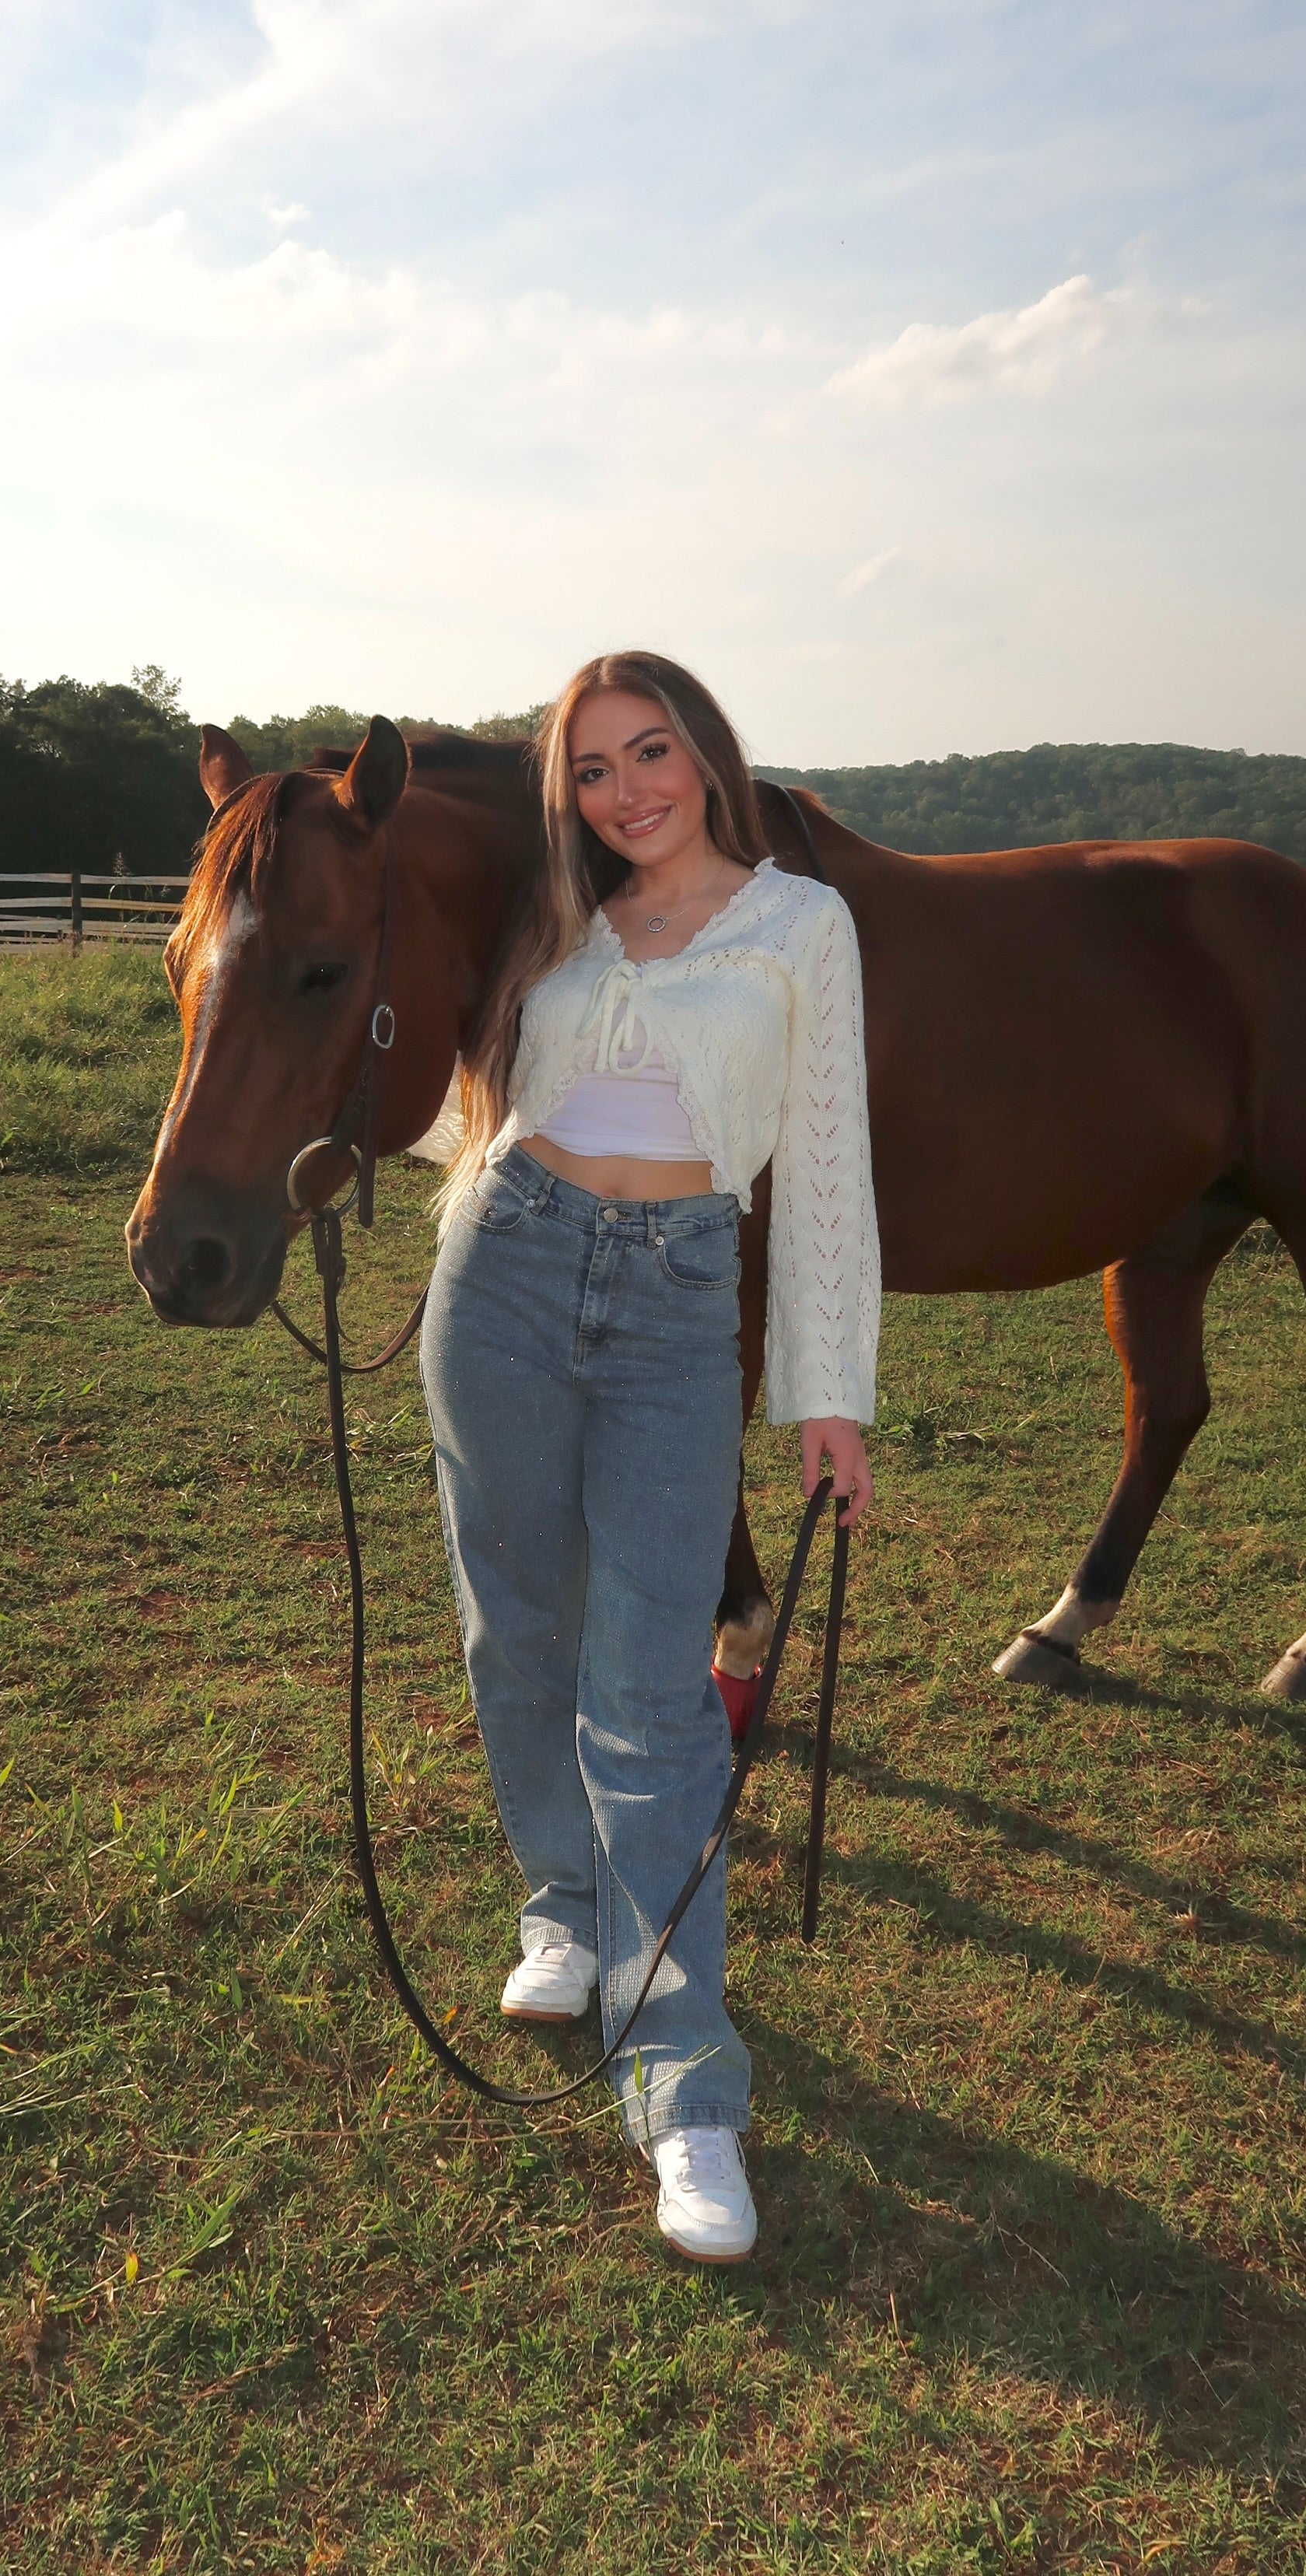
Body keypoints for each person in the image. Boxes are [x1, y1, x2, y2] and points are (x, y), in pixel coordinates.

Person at [421, 650, 879, 2262]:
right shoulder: (553, 924)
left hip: (683, 1301)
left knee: (656, 1688)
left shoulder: (797, 924)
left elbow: (825, 1168)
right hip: (504, 1270)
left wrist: (832, 1391)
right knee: (517, 1628)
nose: (626, 792)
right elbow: (449, 1109)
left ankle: (686, 2091)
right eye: (593, 771)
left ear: (706, 752)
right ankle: (562, 1907)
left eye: (650, 751)